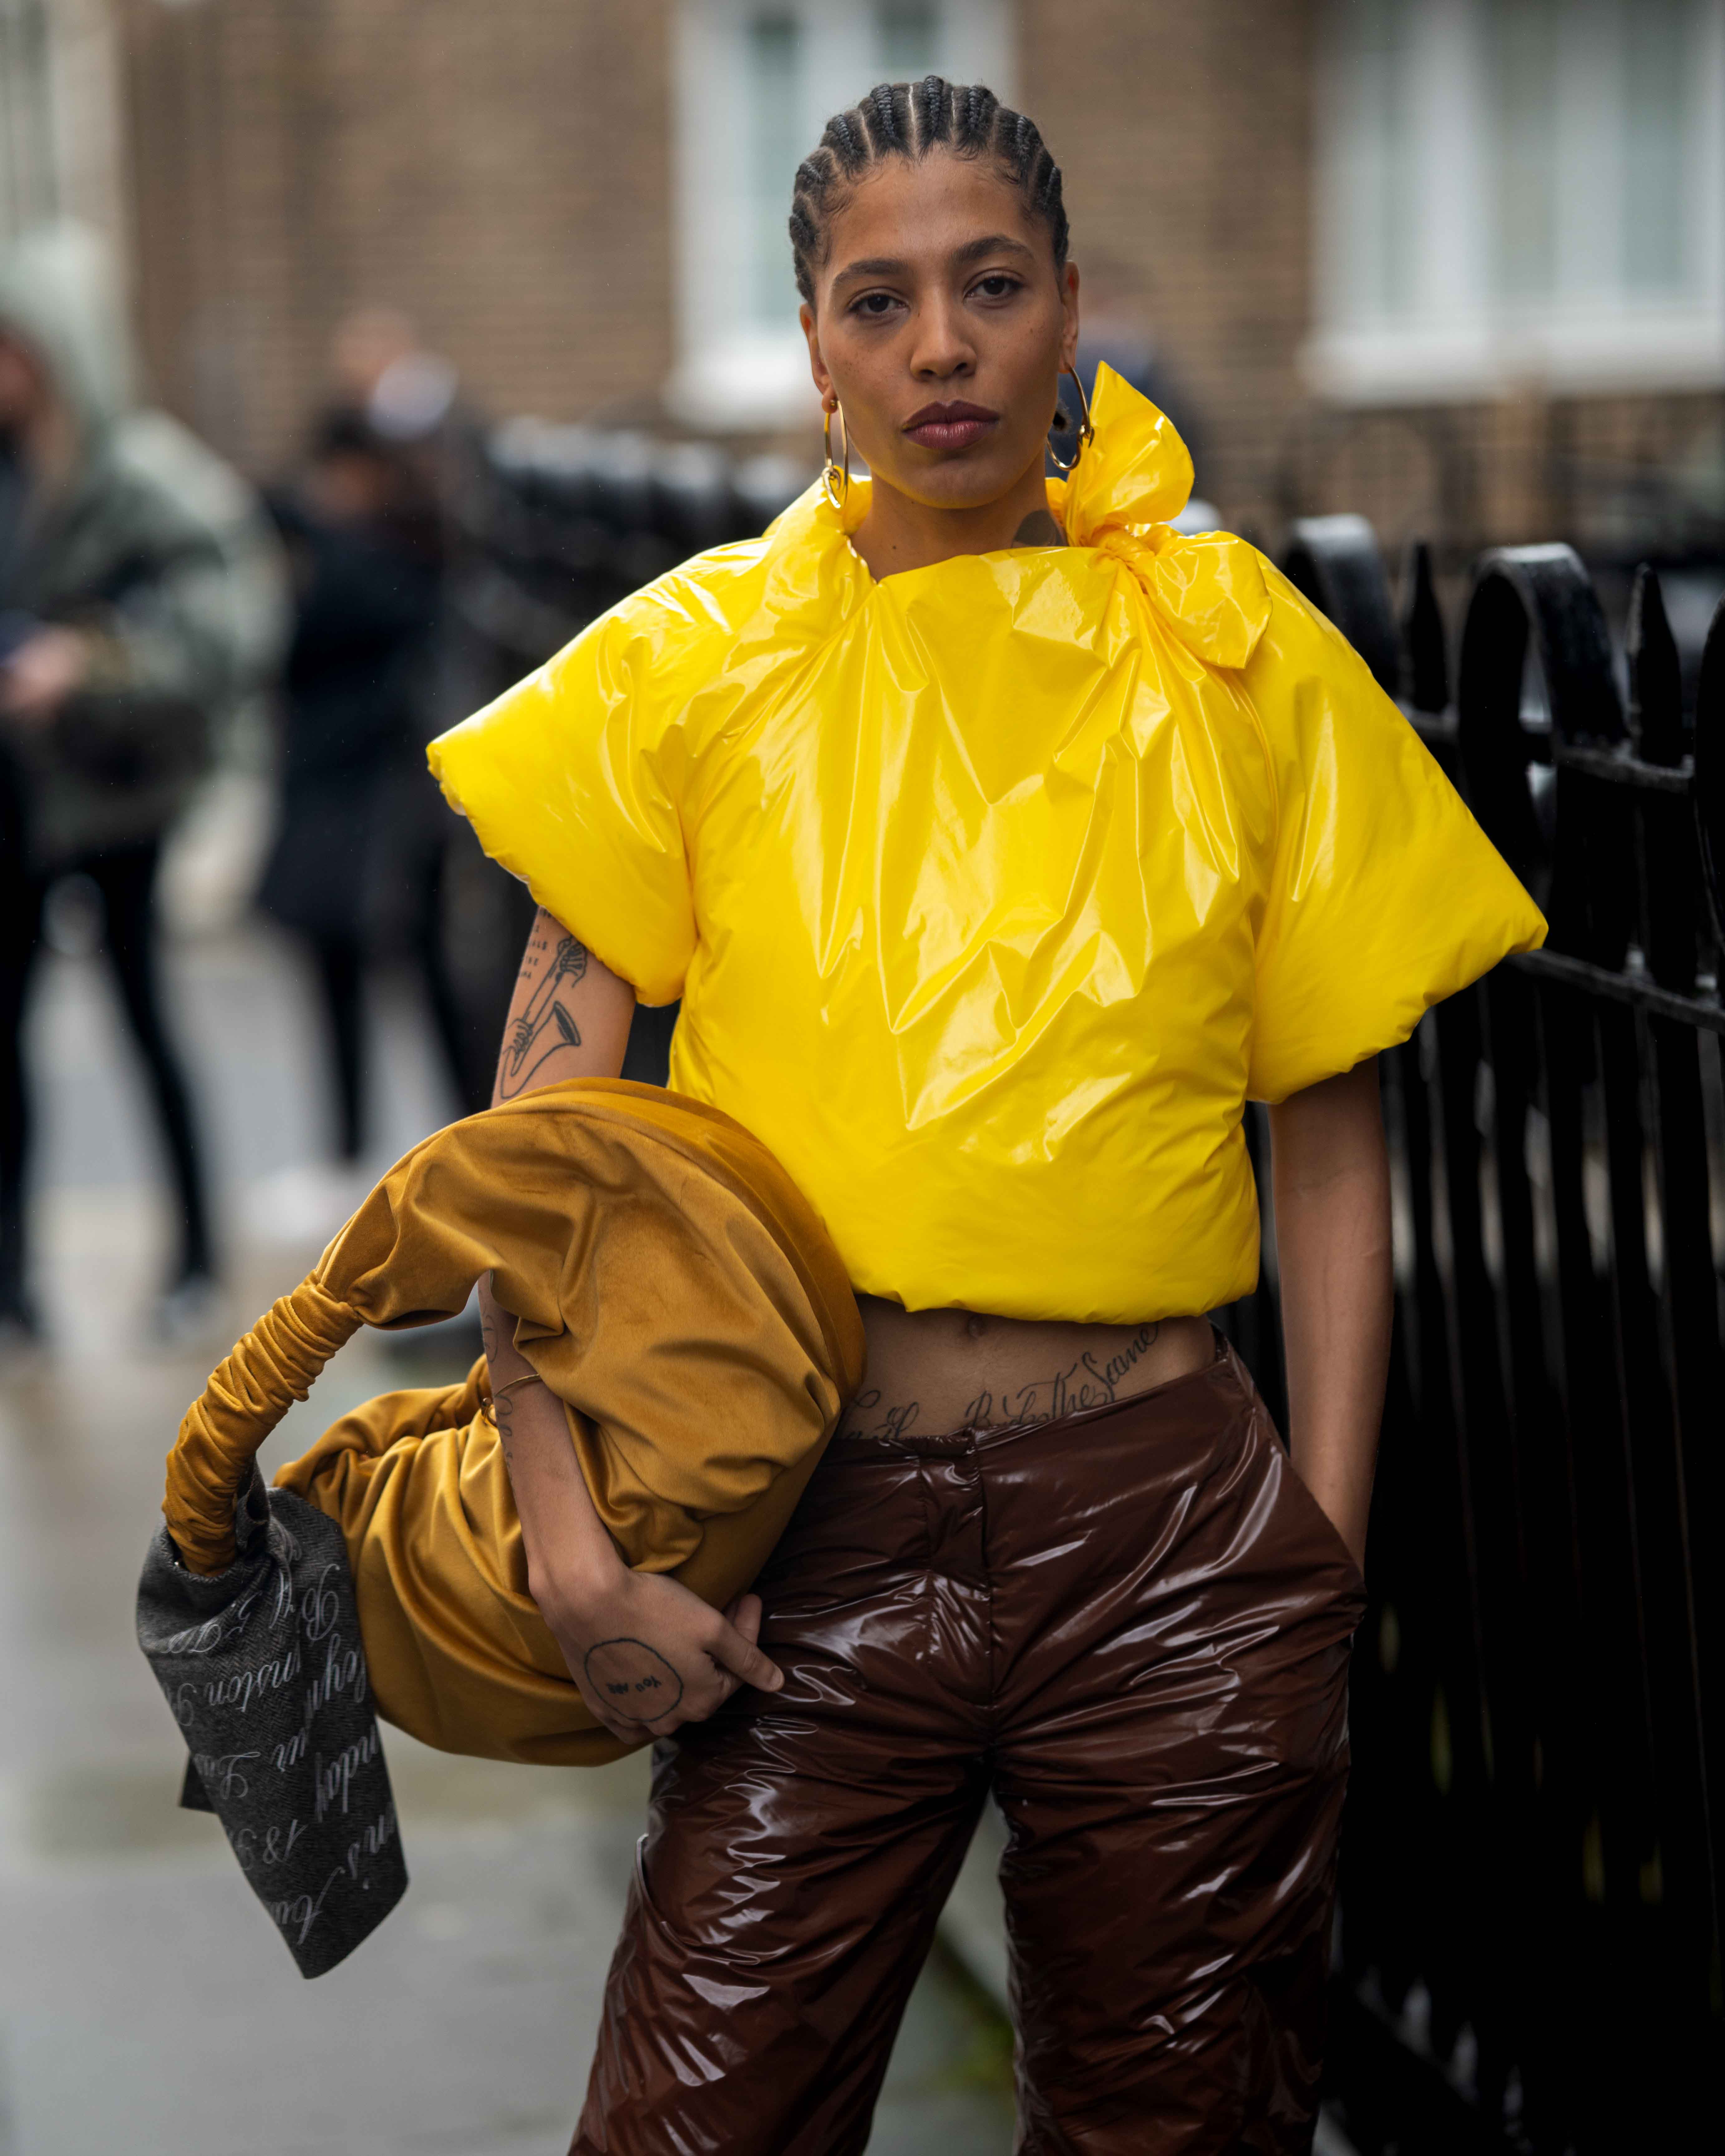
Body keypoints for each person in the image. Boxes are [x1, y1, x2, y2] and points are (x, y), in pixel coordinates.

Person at [428, 80, 1544, 2154]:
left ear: (1069, 312)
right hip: (809, 1545)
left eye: (989, 284)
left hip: (1168, 1539)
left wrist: (1317, 1546)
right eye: (880, 299)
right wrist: (570, 1547)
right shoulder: (688, 673)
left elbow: (1325, 1125)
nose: (939, 343)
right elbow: (538, 1155)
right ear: (817, 352)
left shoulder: (1234, 661)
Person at [0, 223, 284, 1349]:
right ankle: (14, 1281)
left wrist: (92, 661)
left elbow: (231, 622)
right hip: (14, 799)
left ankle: (195, 1260)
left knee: (144, 1020)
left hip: (115, 800)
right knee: (7, 1040)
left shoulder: (144, 479)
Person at [257, 406, 456, 1202]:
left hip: (380, 810)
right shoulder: (388, 558)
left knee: (423, 984)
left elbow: (315, 624)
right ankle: (353, 1154)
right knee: (350, 982)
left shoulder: (385, 566)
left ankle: (463, 1140)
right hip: (346, 804)